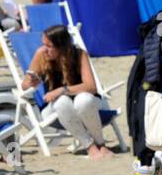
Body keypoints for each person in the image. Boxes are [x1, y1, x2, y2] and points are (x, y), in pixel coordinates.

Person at [22, 24, 112, 158]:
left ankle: (101, 144)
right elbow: (24, 85)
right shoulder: (41, 54)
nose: (44, 49)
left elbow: (91, 87)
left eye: (49, 46)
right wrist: (30, 83)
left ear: (61, 47)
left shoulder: (79, 54)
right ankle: (89, 146)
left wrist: (61, 90)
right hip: (55, 109)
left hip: (87, 105)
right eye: (43, 44)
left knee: (83, 100)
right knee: (62, 102)